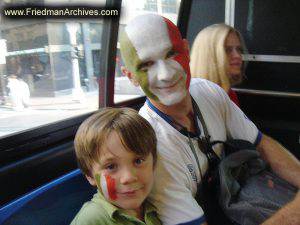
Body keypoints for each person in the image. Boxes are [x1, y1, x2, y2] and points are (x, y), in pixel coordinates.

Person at [119, 14, 300, 225]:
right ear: (130, 76)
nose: (165, 74)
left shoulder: (209, 92)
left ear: (186, 51)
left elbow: (261, 144)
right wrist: (293, 215)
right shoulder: (149, 145)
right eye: (146, 65)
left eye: (171, 53)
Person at [71, 107, 161, 225]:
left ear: (154, 162)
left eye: (138, 161)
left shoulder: (156, 204)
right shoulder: (91, 219)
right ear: (89, 175)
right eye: (111, 167)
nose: (128, 177)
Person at [190, 23, 245, 106]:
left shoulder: (229, 94)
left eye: (238, 49)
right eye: (227, 50)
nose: (237, 55)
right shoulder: (195, 100)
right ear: (209, 56)